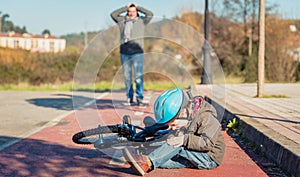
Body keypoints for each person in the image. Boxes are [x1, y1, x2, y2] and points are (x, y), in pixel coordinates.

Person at [122, 88, 225, 176]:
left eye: (173, 123)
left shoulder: (207, 118)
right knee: (162, 158)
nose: (172, 126)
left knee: (176, 143)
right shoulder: (186, 115)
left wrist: (184, 139)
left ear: (184, 112)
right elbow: (171, 125)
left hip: (208, 158)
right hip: (192, 153)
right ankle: (147, 154)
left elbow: (207, 143)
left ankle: (147, 163)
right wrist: (152, 129)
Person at [111, 3, 153, 106]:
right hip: (125, 52)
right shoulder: (122, 21)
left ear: (137, 12)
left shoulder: (142, 21)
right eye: (129, 11)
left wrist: (139, 7)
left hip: (137, 52)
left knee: (138, 76)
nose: (131, 13)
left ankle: (139, 98)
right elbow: (113, 14)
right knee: (127, 77)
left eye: (133, 11)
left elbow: (150, 14)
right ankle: (129, 98)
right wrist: (126, 7)